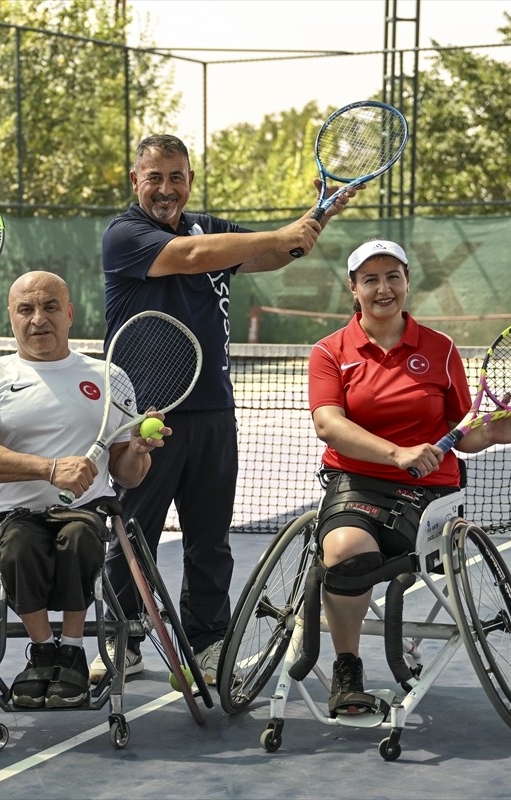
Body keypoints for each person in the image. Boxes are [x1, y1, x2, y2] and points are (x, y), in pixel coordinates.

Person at [95, 133, 361, 686]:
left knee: (210, 538)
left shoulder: (210, 227)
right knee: (130, 532)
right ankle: (124, 640)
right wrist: (282, 232)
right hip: (145, 414)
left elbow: (272, 253)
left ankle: (208, 641)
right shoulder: (125, 235)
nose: (166, 188)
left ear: (189, 180)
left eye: (177, 177)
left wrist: (313, 222)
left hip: (214, 409)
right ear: (135, 180)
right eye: (155, 177)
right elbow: (191, 258)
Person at [308, 238, 511, 716]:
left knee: (379, 552)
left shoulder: (440, 350)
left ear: (408, 283)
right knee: (343, 554)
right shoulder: (330, 352)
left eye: (393, 277)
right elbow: (327, 424)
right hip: (355, 483)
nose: (383, 288)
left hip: (432, 495)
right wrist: (396, 453)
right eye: (370, 279)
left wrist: (494, 433)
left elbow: (463, 432)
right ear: (352, 288)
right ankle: (348, 669)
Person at [0, 271, 164, 708]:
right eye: (25, 309)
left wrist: (139, 450)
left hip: (86, 513)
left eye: (49, 307)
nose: (38, 319)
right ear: (9, 316)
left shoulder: (110, 376)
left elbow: (127, 476)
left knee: (80, 537)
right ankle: (43, 651)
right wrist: (49, 470)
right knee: (18, 548)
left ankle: (72, 650)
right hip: (13, 516)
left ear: (69, 314)